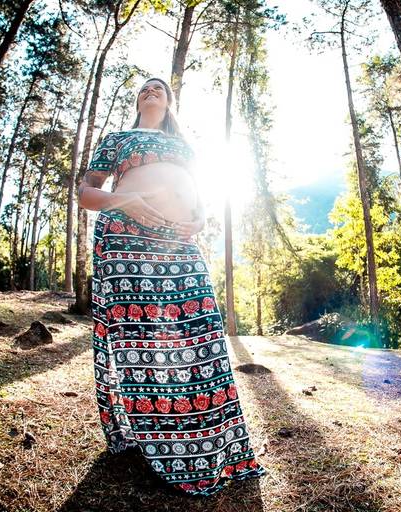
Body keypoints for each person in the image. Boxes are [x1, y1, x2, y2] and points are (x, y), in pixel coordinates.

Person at [78, 77, 267, 497]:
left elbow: (201, 201)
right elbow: (87, 192)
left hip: (179, 242)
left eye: (159, 88)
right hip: (125, 237)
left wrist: (198, 222)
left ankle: (206, 437)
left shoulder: (185, 147)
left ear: (170, 102)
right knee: (141, 341)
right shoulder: (118, 139)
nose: (151, 91)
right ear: (137, 100)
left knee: (199, 334)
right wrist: (123, 201)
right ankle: (157, 438)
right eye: (144, 88)